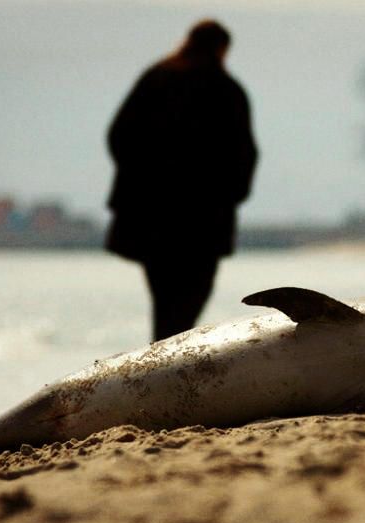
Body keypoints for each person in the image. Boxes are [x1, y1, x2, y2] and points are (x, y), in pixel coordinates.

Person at [105, 20, 259, 341]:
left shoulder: (156, 79)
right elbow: (244, 154)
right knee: (189, 300)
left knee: (164, 300)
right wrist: (230, 194)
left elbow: (119, 136)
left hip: (150, 218)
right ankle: (170, 365)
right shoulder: (226, 90)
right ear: (221, 49)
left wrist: (139, 181)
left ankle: (161, 361)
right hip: (203, 221)